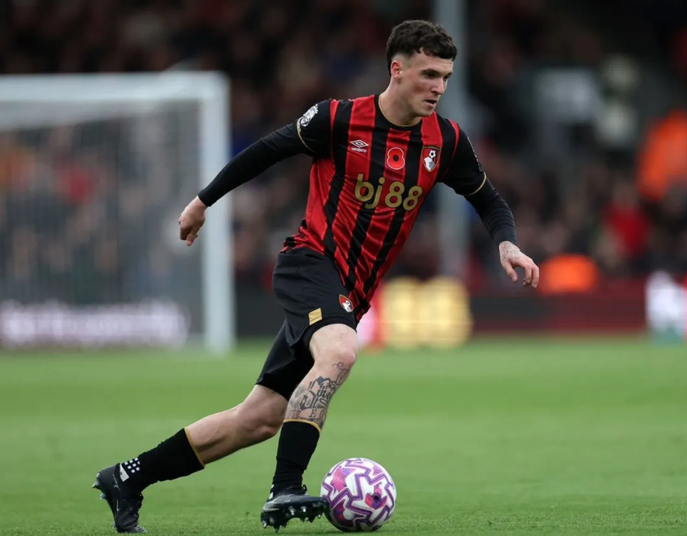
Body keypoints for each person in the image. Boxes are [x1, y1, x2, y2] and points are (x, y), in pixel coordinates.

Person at [92, 19, 539, 533]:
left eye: (445, 77)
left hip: (352, 292)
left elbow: (488, 199)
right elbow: (266, 151)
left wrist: (507, 242)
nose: (439, 87)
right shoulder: (340, 119)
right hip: (310, 262)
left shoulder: (446, 140)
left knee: (257, 419)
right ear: (397, 70)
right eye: (429, 75)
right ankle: (285, 487)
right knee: (341, 351)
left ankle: (126, 478)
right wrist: (202, 201)